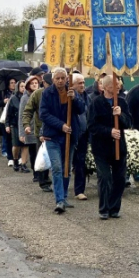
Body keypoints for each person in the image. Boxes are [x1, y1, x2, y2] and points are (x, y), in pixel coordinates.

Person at [39, 68, 86, 214]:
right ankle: (59, 200)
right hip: (53, 136)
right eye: (57, 78)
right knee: (57, 167)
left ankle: (64, 197)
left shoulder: (72, 91)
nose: (60, 80)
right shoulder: (47, 93)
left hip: (70, 136)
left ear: (66, 79)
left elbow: (81, 109)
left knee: (66, 168)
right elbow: (43, 114)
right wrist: (61, 125)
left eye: (62, 78)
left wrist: (75, 98)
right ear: (53, 80)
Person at [88, 74, 133, 219]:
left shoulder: (122, 102)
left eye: (119, 84)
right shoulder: (96, 103)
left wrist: (121, 116)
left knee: (119, 178)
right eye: (115, 84)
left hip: (119, 147)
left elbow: (129, 123)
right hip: (101, 148)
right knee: (105, 177)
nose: (119, 86)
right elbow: (92, 126)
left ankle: (114, 208)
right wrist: (109, 131)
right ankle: (104, 209)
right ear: (107, 87)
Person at [22, 73, 53, 192]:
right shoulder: (37, 94)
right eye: (48, 83)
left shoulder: (60, 93)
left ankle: (57, 180)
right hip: (41, 131)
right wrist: (26, 125)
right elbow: (28, 111)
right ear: (43, 83)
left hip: (57, 130)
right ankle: (44, 181)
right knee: (44, 157)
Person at [70, 73, 90, 200]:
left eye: (83, 82)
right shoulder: (70, 96)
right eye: (79, 83)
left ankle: (79, 190)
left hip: (84, 133)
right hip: (71, 132)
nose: (82, 85)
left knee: (80, 161)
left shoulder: (87, 96)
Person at [18, 76, 39, 177]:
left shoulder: (40, 94)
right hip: (29, 129)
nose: (35, 84)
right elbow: (22, 115)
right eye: (32, 83)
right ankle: (36, 173)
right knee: (33, 153)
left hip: (39, 128)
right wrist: (22, 133)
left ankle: (41, 173)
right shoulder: (25, 97)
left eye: (36, 83)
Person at [5, 81, 28, 172]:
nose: (23, 88)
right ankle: (15, 160)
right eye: (22, 86)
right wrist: (7, 125)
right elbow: (8, 113)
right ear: (18, 87)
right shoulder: (13, 98)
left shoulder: (28, 98)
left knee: (25, 145)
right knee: (16, 145)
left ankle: (23, 164)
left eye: (25, 86)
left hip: (25, 124)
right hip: (14, 124)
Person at [0, 78, 15, 160]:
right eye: (11, 83)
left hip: (7, 117)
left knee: (5, 134)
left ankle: (5, 150)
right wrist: (3, 102)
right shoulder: (2, 93)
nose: (13, 84)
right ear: (8, 84)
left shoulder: (16, 94)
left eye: (14, 83)